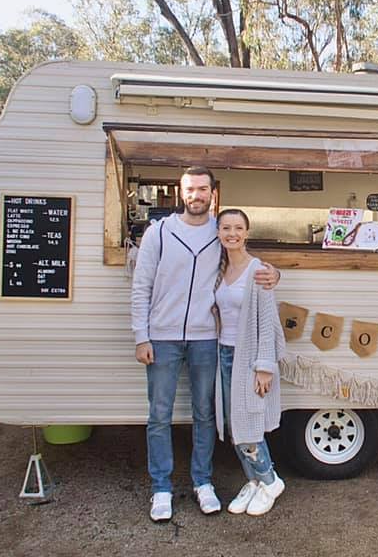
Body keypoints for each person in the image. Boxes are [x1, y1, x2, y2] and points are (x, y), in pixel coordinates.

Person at [131, 167, 279, 522]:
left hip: (205, 339)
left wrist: (274, 274)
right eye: (190, 189)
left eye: (202, 189)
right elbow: (141, 286)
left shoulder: (219, 232)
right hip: (162, 337)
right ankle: (161, 489)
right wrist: (141, 336)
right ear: (180, 192)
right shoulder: (160, 232)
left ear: (213, 193)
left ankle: (203, 483)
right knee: (159, 416)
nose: (195, 195)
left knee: (204, 415)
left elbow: (247, 264)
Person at [213, 208, 286, 516]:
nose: (232, 233)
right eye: (226, 227)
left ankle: (270, 481)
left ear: (247, 232)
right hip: (224, 355)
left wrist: (265, 367)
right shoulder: (218, 269)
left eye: (238, 228)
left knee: (250, 426)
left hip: (249, 359)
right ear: (218, 232)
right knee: (233, 425)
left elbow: (268, 321)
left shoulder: (259, 271)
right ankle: (253, 482)